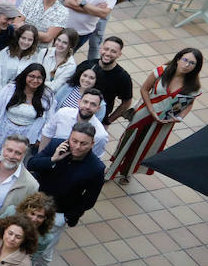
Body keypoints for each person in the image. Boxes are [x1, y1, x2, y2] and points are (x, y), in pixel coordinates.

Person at [25, 123, 106, 266]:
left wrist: (67, 217)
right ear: (69, 137)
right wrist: (53, 159)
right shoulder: (56, 145)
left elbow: (89, 200)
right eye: (74, 141)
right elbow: (32, 163)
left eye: (83, 144)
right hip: (34, 206)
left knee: (43, 252)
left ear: (92, 144)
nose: (77, 147)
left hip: (58, 215)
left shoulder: (95, 168)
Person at [106, 48, 203, 185]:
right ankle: (112, 169)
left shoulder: (193, 86)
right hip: (144, 113)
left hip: (165, 122)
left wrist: (180, 117)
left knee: (146, 147)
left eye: (192, 63)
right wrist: (151, 110)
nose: (187, 65)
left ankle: (127, 172)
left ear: (196, 67)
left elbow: (188, 104)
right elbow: (144, 89)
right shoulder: (161, 71)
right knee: (128, 141)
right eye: (185, 60)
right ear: (178, 59)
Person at [0, 64, 54, 153]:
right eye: (31, 76)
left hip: (26, 136)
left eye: (39, 78)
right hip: (2, 131)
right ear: (25, 75)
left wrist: (40, 138)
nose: (35, 80)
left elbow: (49, 120)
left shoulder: (47, 95)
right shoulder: (11, 89)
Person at [38, 88, 110, 159]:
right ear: (79, 102)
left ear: (98, 108)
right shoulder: (63, 113)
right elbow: (47, 134)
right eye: (85, 102)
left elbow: (94, 158)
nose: (87, 107)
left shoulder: (100, 135)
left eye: (93, 104)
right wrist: (40, 157)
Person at [81, 36, 136, 125]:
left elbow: (126, 102)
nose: (108, 53)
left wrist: (108, 121)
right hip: (77, 110)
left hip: (98, 118)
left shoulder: (122, 77)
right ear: (100, 49)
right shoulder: (87, 65)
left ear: (119, 54)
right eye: (106, 49)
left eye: (113, 51)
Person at [0, 24, 42, 100]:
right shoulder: (5, 53)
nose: (25, 42)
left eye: (30, 40)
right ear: (18, 37)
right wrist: (0, 99)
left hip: (16, 99)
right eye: (23, 38)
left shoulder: (35, 58)